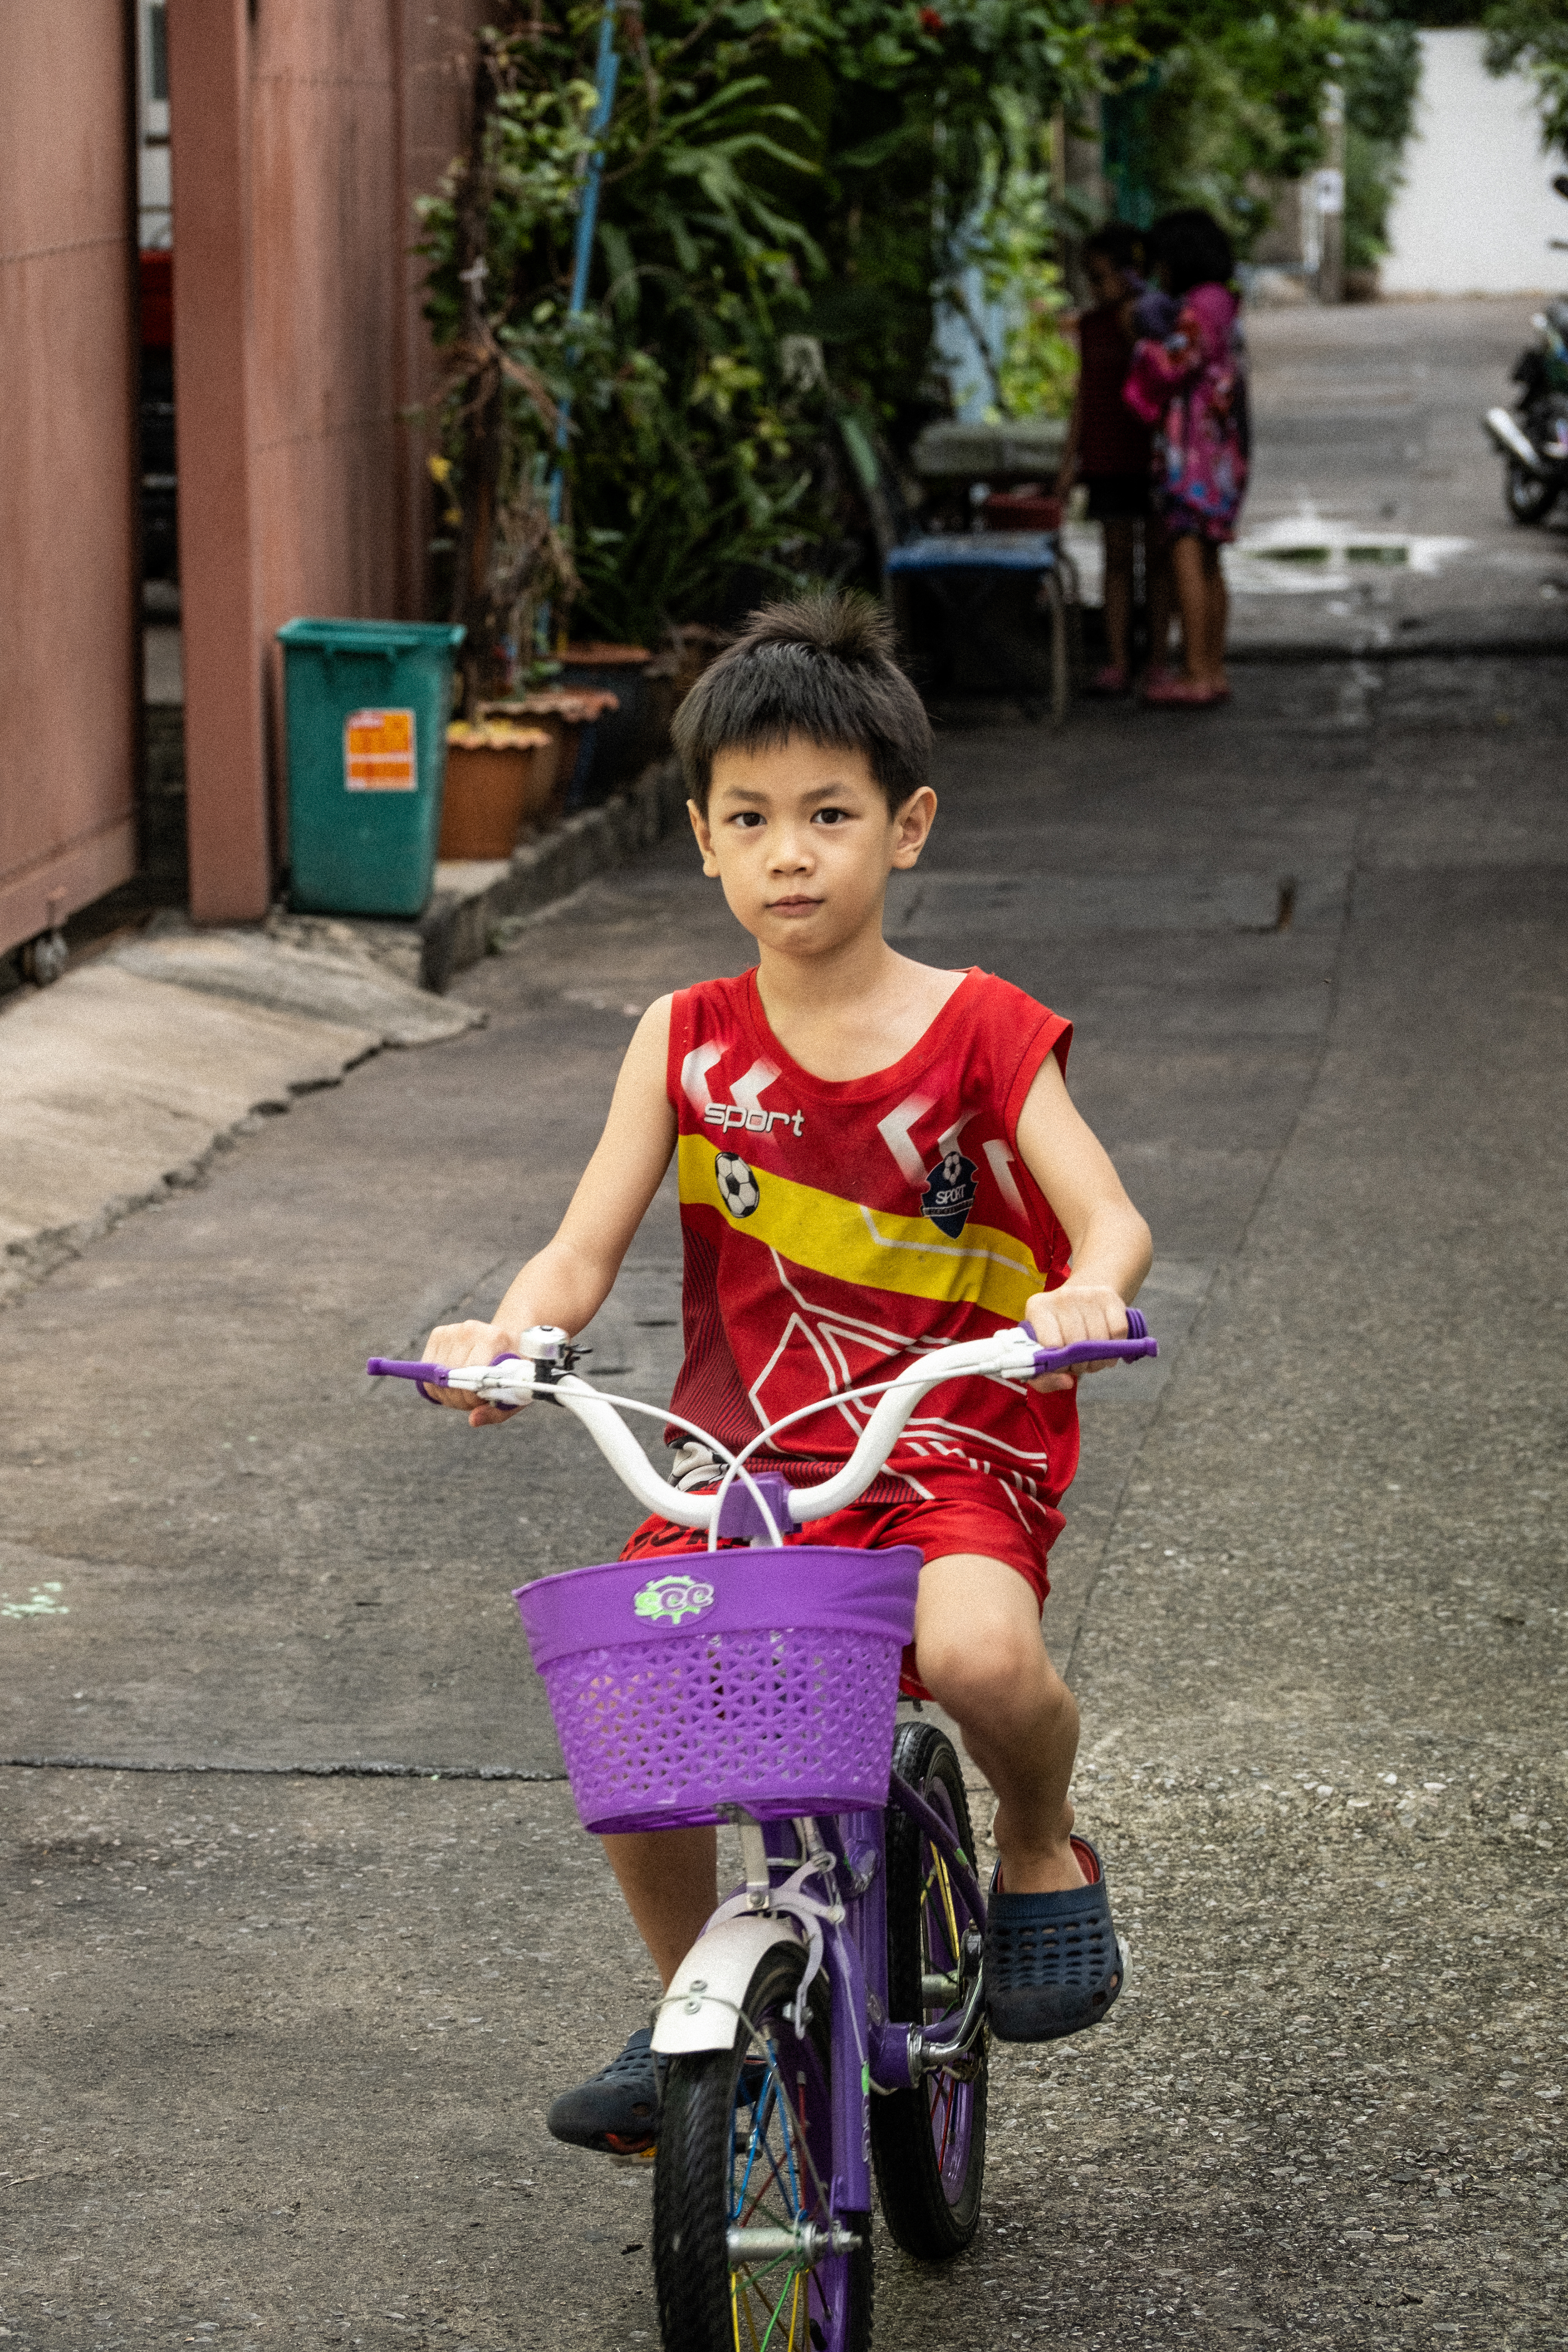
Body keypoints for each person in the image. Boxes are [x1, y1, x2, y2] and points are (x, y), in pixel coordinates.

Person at [420, 595, 1153, 2153]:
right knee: (637, 1690)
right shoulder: (682, 1037)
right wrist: (503, 1336)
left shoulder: (982, 1031)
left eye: (830, 814)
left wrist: (1088, 1290)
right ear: (700, 839)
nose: (790, 852)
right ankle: (696, 1991)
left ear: (909, 826)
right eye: (749, 819)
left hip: (954, 1438)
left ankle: (1034, 1841)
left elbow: (1108, 1216)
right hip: (749, 1461)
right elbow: (575, 1255)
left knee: (978, 1663)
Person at [1124, 207, 1250, 707]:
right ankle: (1213, 667)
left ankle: (1196, 670)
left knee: (1186, 552)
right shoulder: (1224, 303)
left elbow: (1175, 363)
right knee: (1212, 559)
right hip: (1220, 449)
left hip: (1192, 452)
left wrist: (1140, 347)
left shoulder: (1197, 307)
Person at [1055, 222, 1165, 695]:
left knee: (1157, 561)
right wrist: (1070, 459)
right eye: (1091, 280)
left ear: (1131, 273)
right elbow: (1085, 393)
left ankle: (1158, 659)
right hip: (1105, 458)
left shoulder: (1147, 321)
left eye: (1101, 278)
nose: (1095, 289)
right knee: (1117, 561)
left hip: (1151, 457)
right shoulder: (1092, 325)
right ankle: (1119, 661)